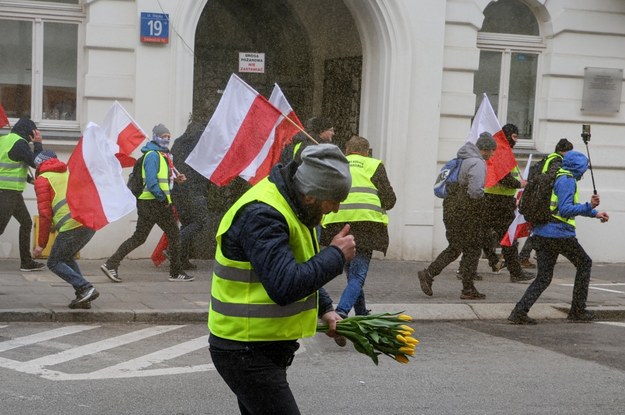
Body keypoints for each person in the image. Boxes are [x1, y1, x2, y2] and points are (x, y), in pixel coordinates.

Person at [208, 144, 355, 414]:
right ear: (310, 196)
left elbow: (297, 263)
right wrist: (336, 255)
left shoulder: (294, 206)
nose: (335, 209)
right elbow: (285, 284)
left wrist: (325, 309)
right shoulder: (263, 214)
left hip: (258, 348)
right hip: (245, 350)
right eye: (332, 200)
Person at [508, 150, 609, 324]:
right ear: (578, 168)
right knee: (584, 263)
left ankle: (519, 312)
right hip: (559, 234)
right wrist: (589, 205)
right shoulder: (567, 180)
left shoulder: (556, 175)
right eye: (583, 169)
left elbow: (563, 205)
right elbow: (566, 209)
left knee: (544, 277)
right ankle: (577, 310)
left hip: (542, 233)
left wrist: (595, 213)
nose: (584, 172)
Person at [100, 124, 194, 282]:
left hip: (150, 203)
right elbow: (151, 182)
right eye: (163, 136)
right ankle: (176, 272)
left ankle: (111, 264)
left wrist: (176, 180)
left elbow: (161, 180)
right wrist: (163, 199)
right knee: (174, 234)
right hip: (155, 203)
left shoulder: (162, 155)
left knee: (139, 237)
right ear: (156, 137)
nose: (167, 139)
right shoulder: (152, 156)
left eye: (168, 137)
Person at [322, 135, 396, 317]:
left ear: (346, 150)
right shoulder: (373, 165)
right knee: (358, 276)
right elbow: (389, 199)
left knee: (352, 273)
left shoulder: (337, 164)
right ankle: (341, 312)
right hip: (366, 225)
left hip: (337, 224)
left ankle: (361, 312)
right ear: (366, 152)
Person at [418, 132, 497, 300]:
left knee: (455, 247)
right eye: (492, 151)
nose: (492, 154)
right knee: (473, 248)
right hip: (466, 212)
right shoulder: (477, 163)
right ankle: (467, 289)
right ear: (486, 149)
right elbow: (475, 192)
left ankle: (429, 274)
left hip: (451, 209)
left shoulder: (460, 160)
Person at [32, 151, 99, 309]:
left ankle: (86, 288)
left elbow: (45, 215)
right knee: (67, 258)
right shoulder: (68, 172)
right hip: (89, 222)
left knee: (54, 262)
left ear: (39, 165)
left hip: (72, 226)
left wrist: (41, 244)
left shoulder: (43, 179)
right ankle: (84, 295)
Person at [482, 123, 535, 283]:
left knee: (482, 234)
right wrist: (520, 184)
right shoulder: (502, 151)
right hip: (500, 201)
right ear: (507, 135)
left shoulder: (498, 150)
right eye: (514, 136)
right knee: (508, 237)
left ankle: (484, 264)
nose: (516, 140)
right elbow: (504, 178)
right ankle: (515, 272)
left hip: (492, 199)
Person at [518, 138, 574, 269]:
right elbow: (551, 178)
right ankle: (527, 256)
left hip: (536, 199)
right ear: (563, 151)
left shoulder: (547, 158)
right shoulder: (557, 161)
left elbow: (534, 174)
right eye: (570, 152)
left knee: (537, 229)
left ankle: (535, 254)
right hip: (544, 201)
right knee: (539, 229)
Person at [0, 118, 46, 271]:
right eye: (34, 133)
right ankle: (26, 262)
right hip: (7, 192)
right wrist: (38, 143)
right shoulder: (20, 143)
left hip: (9, 192)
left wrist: (28, 179)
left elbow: (9, 164)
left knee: (26, 223)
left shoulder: (4, 139)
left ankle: (26, 262)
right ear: (30, 132)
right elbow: (37, 162)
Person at [171, 120, 211, 270]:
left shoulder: (178, 142)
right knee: (200, 221)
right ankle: (173, 248)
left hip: (178, 189)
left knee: (187, 223)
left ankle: (182, 259)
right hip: (194, 188)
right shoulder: (201, 143)